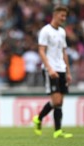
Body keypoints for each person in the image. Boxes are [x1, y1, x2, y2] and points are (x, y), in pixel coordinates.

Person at [33, 5, 73, 138]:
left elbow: (64, 52)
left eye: (65, 16)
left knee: (59, 101)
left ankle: (56, 131)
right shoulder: (45, 31)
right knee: (56, 100)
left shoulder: (62, 31)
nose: (64, 18)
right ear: (55, 15)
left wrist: (68, 72)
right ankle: (40, 119)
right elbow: (41, 51)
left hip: (61, 68)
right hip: (51, 69)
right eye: (62, 15)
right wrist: (49, 68)